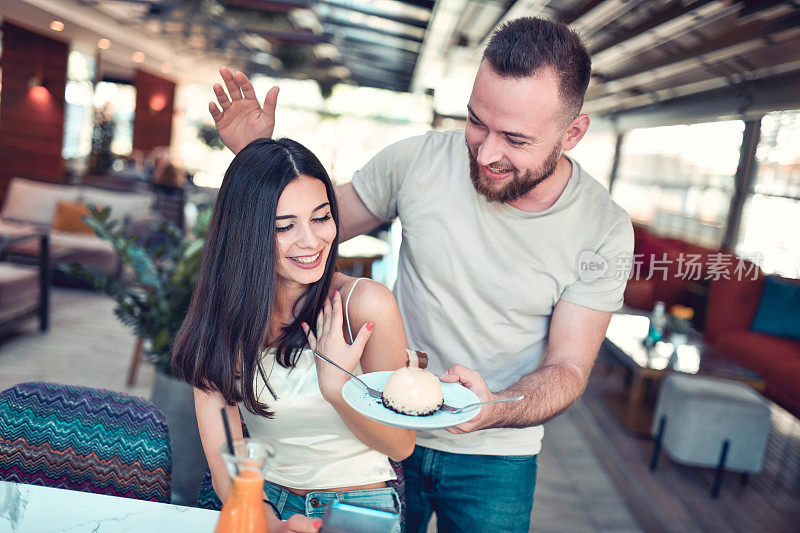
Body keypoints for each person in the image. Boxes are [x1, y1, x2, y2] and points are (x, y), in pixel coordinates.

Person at [208, 17, 634, 532]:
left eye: (516, 139)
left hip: (495, 454)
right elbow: (312, 227)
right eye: (477, 121)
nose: (486, 151)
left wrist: (492, 408)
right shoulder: (419, 160)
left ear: (573, 132)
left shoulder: (604, 230)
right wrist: (256, 160)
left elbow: (568, 369)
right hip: (379, 435)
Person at [172, 138, 415, 533]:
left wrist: (337, 388)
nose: (311, 240)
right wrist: (272, 524)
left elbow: (400, 444)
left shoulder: (365, 305)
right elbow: (227, 460)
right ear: (246, 234)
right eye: (286, 226)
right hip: (260, 498)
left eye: (321, 218)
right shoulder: (223, 319)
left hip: (356, 506)